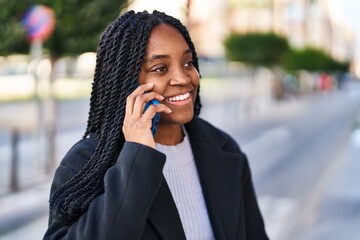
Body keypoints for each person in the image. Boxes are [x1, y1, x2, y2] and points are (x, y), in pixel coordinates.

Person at [44, 10, 269, 240]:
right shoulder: (86, 163)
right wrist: (137, 155)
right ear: (126, 83)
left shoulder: (223, 148)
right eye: (160, 68)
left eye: (188, 62)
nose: (183, 78)